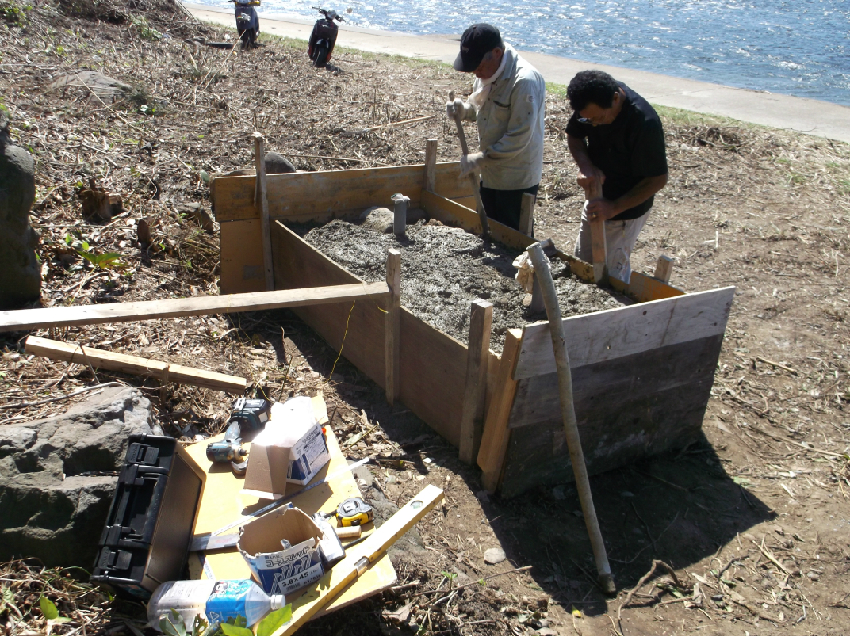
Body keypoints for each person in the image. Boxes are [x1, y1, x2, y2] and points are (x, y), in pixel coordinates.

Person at [566, 70, 668, 283]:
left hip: (625, 209)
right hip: (597, 199)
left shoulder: (644, 122)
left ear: (615, 99)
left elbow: (657, 179)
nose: (592, 124)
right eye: (588, 119)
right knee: (583, 265)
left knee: (611, 277)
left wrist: (614, 207)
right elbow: (574, 135)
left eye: (598, 118)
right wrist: (586, 167)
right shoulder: (590, 102)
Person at [446, 24, 545, 231]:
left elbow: (518, 136)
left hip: (516, 178)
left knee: (515, 238)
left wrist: (480, 158)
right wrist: (464, 110)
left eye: (478, 67)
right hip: (491, 173)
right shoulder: (487, 74)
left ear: (496, 53)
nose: (476, 72)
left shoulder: (523, 82)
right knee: (492, 230)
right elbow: (483, 111)